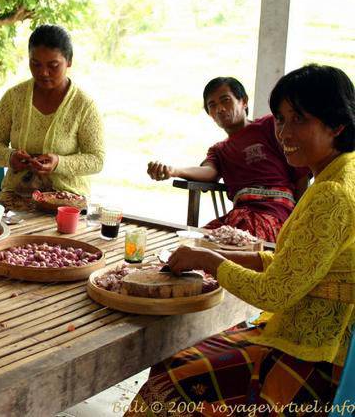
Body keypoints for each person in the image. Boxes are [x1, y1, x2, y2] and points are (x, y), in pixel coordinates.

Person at [128, 64, 354, 416]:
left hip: (313, 353)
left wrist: (210, 261)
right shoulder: (341, 170)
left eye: (299, 119)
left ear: (337, 124)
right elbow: (289, 265)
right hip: (313, 332)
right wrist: (210, 251)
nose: (284, 132)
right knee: (177, 361)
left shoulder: (331, 193)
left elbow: (275, 293)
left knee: (169, 380)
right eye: (281, 119)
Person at [147, 77, 310, 242]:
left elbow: (301, 172)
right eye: (212, 105)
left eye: (225, 100)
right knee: (192, 244)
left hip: (274, 214)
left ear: (244, 101)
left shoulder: (269, 126)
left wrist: (298, 221)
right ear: (210, 115)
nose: (220, 109)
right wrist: (174, 171)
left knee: (228, 246)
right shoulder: (219, 150)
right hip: (240, 217)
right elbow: (209, 172)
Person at [0, 24, 105, 211]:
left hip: (67, 199)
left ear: (69, 62)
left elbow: (97, 160)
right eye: (36, 64)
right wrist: (11, 157)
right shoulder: (14, 97)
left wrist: (59, 162)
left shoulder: (83, 105)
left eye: (53, 66)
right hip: (16, 195)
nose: (43, 72)